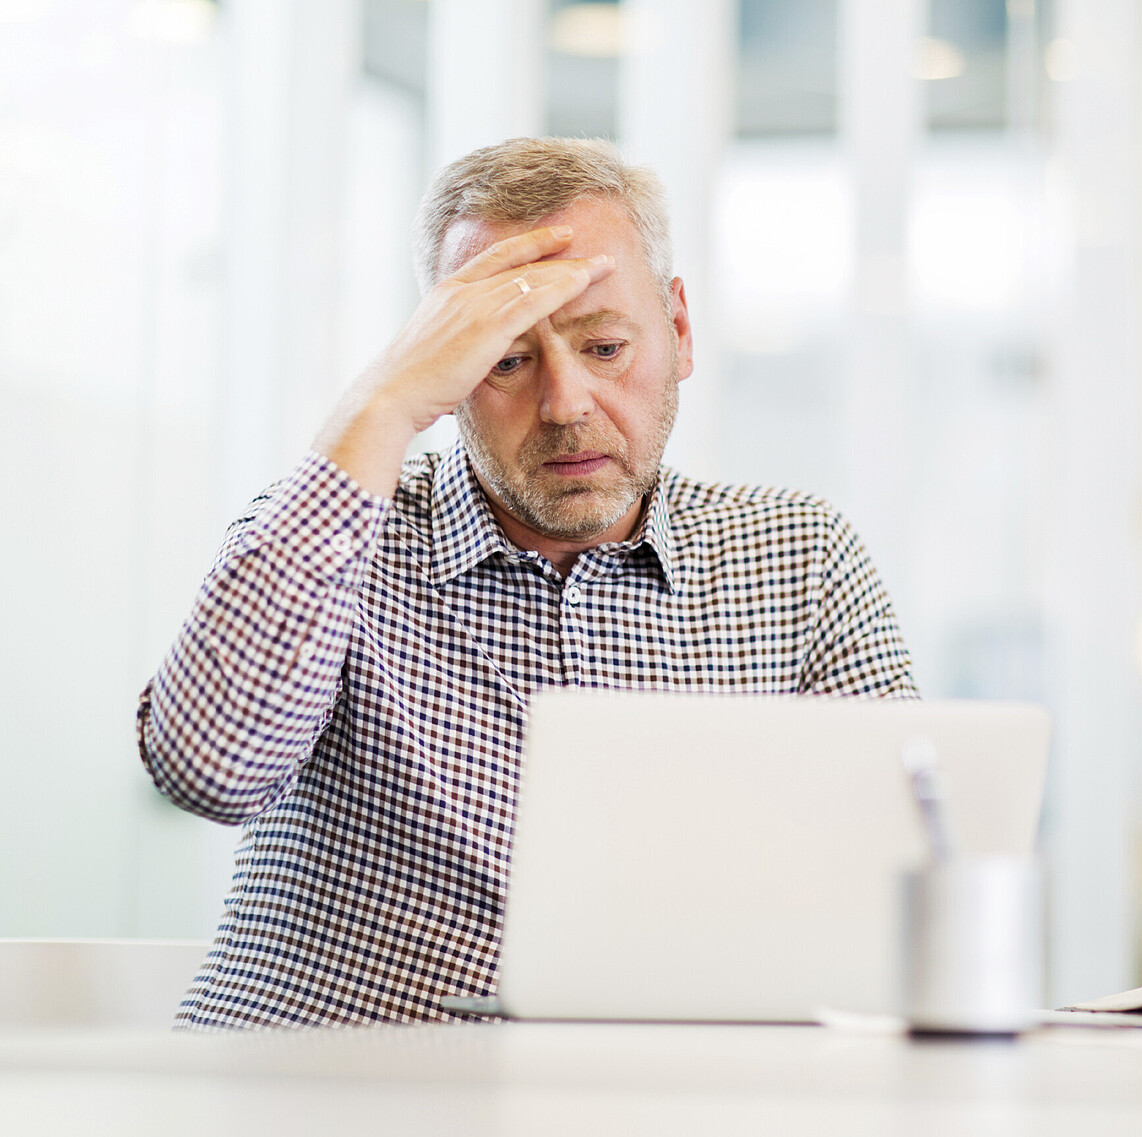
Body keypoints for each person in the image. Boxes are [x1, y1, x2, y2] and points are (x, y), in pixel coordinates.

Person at [138, 137, 918, 1030]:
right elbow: (205, 770)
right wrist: (380, 407)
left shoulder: (799, 557)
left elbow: (897, 881)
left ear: (681, 331)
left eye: (607, 346)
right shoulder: (332, 531)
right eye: (506, 360)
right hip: (339, 1097)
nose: (567, 402)